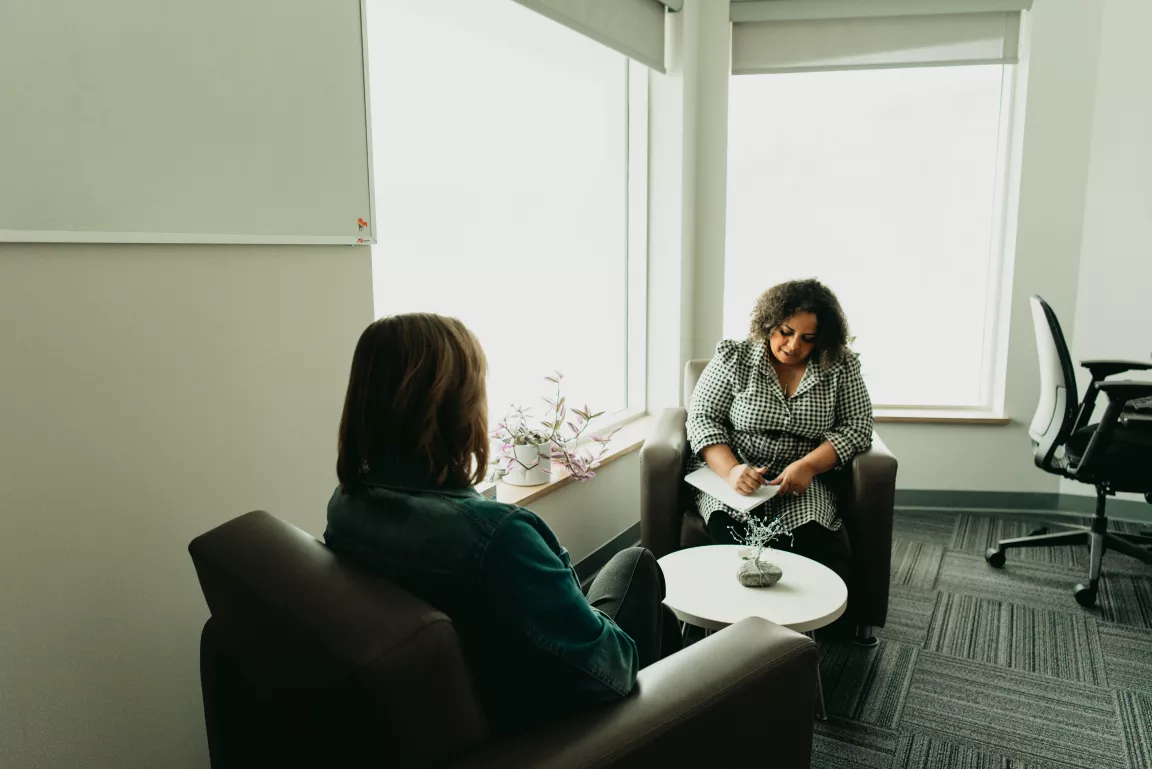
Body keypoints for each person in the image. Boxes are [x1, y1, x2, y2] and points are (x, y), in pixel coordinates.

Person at [323, 313, 681, 735]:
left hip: (468, 688)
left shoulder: (347, 503)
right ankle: (673, 722)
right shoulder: (497, 536)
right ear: (454, 406)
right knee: (638, 564)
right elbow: (614, 668)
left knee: (656, 611)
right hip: (541, 720)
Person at [686, 279, 874, 584]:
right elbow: (702, 418)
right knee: (728, 536)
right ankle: (734, 620)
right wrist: (732, 470)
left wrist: (808, 466)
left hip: (802, 480)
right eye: (785, 332)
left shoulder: (840, 366)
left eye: (808, 338)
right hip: (732, 475)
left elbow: (857, 426)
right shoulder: (735, 358)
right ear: (769, 324)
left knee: (806, 546)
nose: (793, 345)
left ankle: (790, 622)